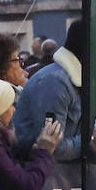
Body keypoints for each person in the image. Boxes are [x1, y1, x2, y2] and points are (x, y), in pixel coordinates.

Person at [0, 76, 62, 190]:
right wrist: (45, 152)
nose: (14, 110)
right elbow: (27, 184)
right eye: (10, 105)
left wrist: (34, 154)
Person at [15, 20, 84, 160]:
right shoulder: (54, 82)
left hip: (62, 175)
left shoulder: (76, 78)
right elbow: (52, 148)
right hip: (42, 174)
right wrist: (91, 145)